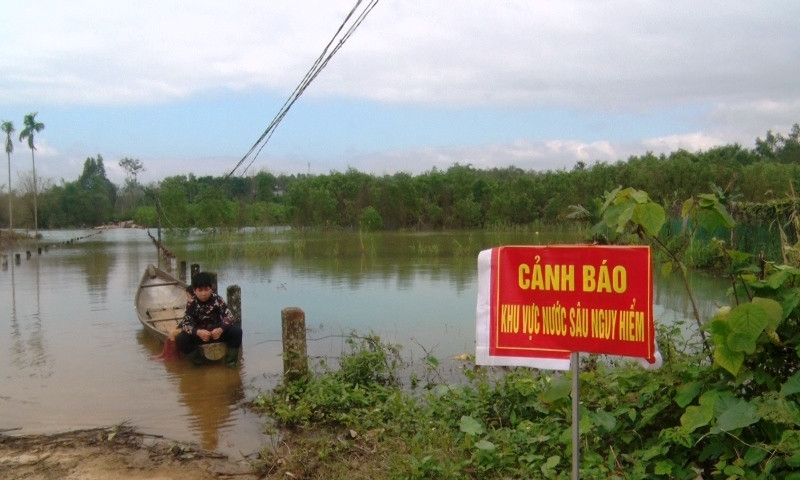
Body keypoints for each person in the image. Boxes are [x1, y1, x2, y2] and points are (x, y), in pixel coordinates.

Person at [175, 271, 243, 367]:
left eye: (207, 290)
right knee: (181, 338)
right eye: (200, 290)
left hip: (217, 334)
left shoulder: (218, 299)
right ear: (194, 290)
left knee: (237, 331)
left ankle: (231, 363)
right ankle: (198, 364)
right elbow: (186, 324)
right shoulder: (191, 303)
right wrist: (197, 332)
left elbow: (230, 317)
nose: (204, 293)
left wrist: (221, 329)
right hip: (200, 336)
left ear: (211, 289)